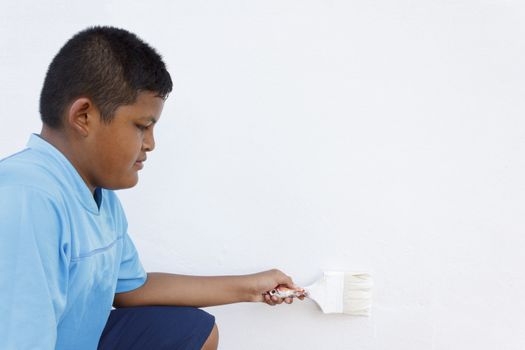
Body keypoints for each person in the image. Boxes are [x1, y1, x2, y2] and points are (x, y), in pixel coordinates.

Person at [0, 26, 303, 350]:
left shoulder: (99, 197)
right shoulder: (26, 197)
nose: (151, 144)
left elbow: (131, 289)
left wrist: (250, 288)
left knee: (190, 331)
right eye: (142, 127)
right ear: (84, 116)